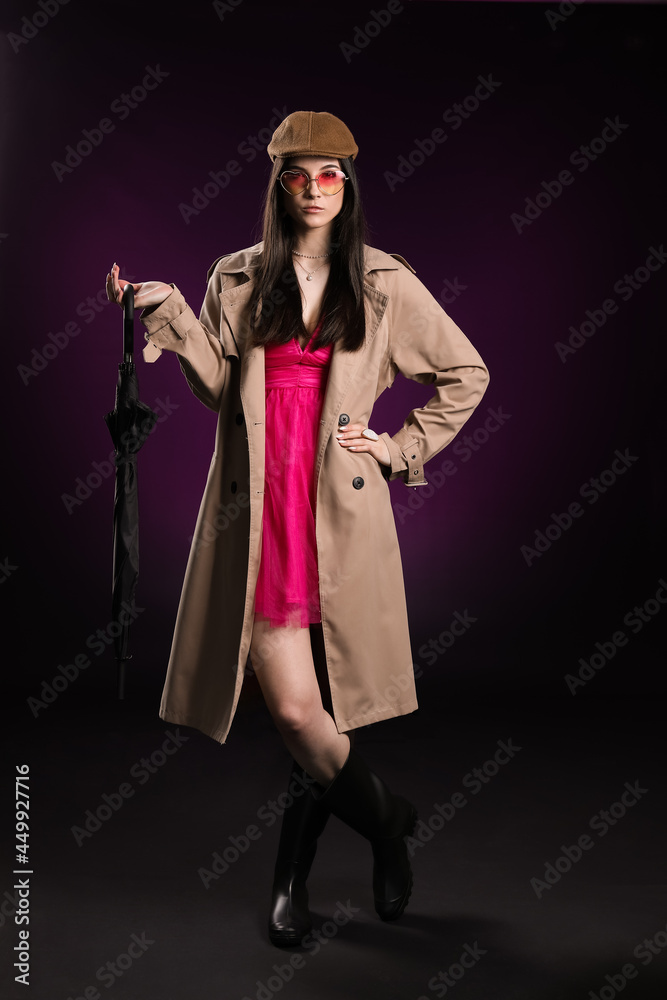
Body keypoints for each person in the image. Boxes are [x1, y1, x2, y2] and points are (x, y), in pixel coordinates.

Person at [106, 110, 489, 947]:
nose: (315, 191)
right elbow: (217, 386)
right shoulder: (236, 276)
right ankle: (388, 822)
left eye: (330, 176)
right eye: (297, 176)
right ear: (276, 185)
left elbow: (465, 372)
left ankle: (293, 882)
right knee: (294, 709)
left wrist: (396, 448)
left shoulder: (384, 280)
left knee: (317, 714)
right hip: (256, 508)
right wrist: (166, 313)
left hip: (339, 511)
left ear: (348, 186)